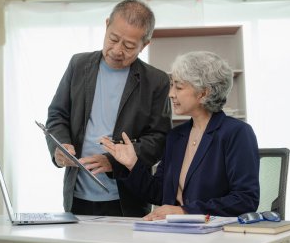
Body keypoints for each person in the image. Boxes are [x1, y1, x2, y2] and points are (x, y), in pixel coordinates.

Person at [45, 0, 170, 234]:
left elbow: (159, 139)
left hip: (128, 199)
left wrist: (112, 162)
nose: (117, 50)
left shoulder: (157, 81)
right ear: (106, 25)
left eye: (129, 46)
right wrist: (60, 147)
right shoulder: (78, 64)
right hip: (78, 196)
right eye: (113, 39)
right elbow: (57, 115)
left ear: (145, 44)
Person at [101, 51, 260, 220]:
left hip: (214, 235)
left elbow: (245, 200)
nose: (171, 93)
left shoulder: (237, 133)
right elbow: (159, 193)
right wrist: (132, 164)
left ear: (203, 93)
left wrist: (184, 211)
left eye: (178, 86)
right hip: (177, 232)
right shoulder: (176, 136)